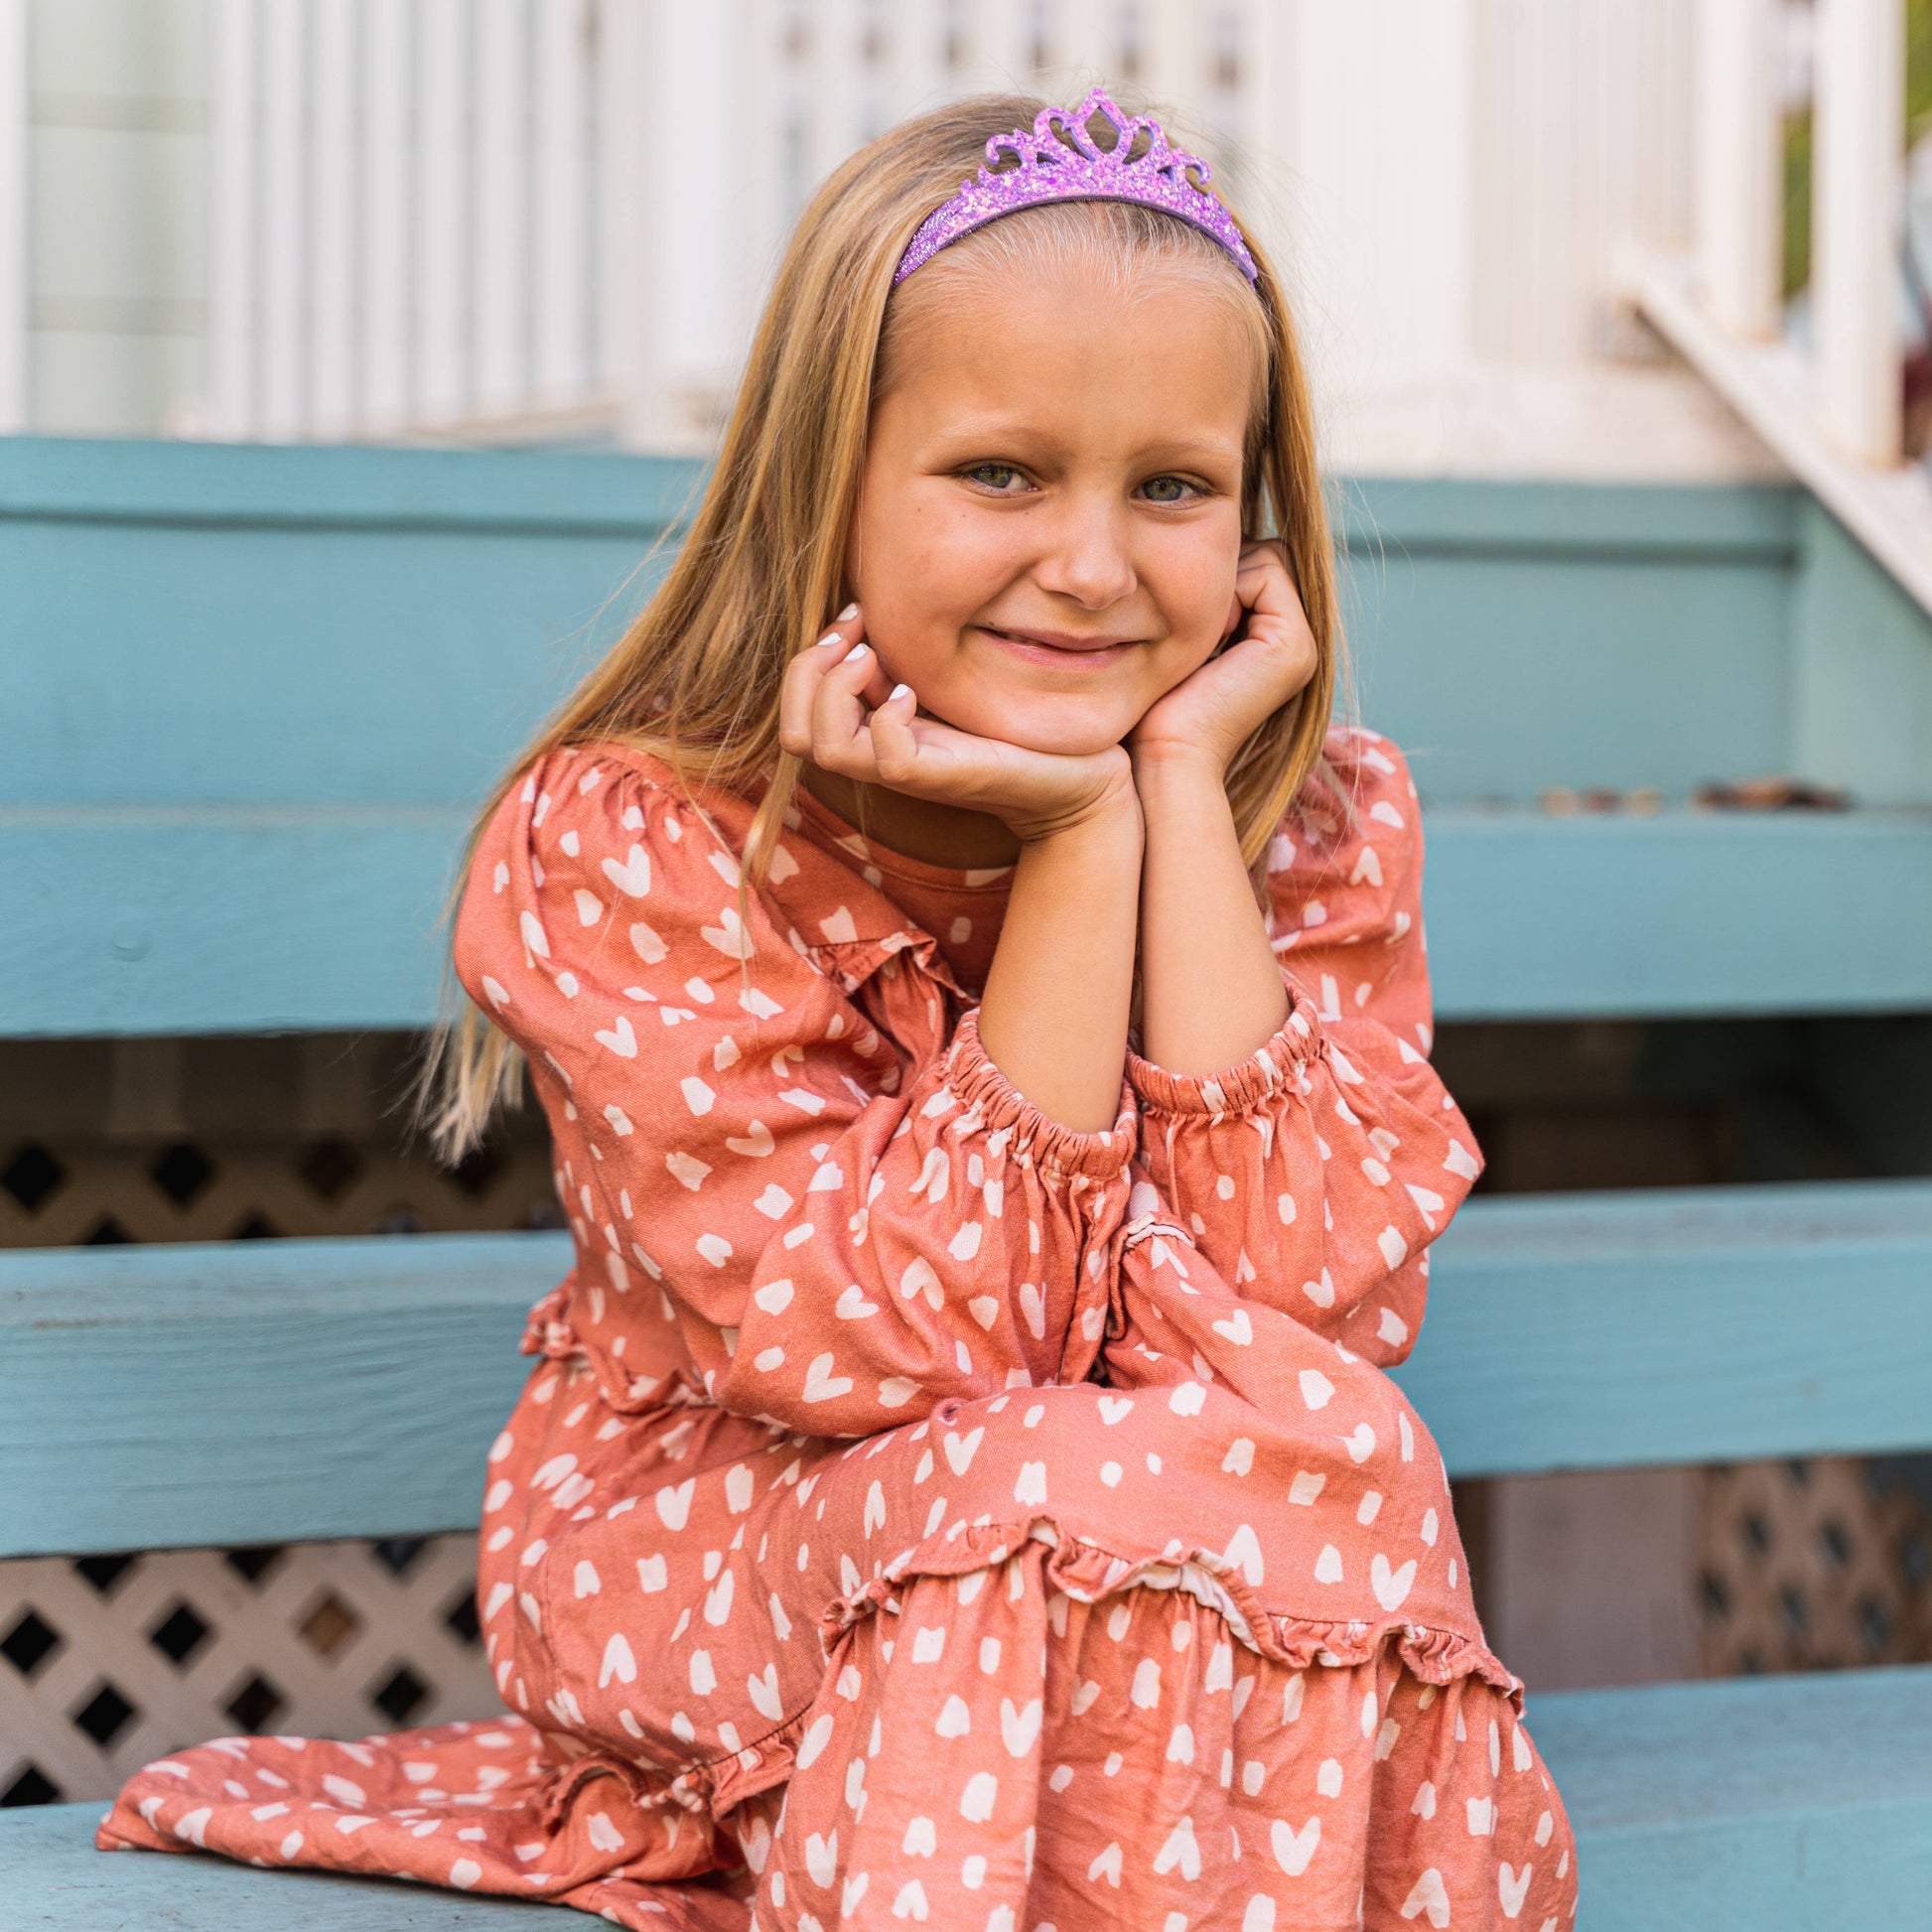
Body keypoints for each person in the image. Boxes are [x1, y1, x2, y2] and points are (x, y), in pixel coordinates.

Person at [102, 89, 1577, 1931]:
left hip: (1157, 1560)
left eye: (1172, 487)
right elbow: (929, 1356)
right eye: (1000, 473)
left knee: (1328, 1458)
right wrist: (1072, 845)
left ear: (1255, 521)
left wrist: (1173, 805)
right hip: (718, 1557)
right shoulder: (645, 839)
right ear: (828, 481)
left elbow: (1313, 1315)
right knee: (1053, 1467)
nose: (1093, 564)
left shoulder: (1306, 822)